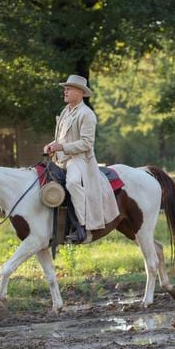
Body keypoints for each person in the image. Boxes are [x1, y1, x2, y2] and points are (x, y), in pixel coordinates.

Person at [43, 74, 119, 243]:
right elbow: (62, 139)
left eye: (68, 89)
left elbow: (86, 143)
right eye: (65, 89)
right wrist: (51, 145)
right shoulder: (65, 112)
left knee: (72, 183)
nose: (65, 91)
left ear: (80, 92)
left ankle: (82, 226)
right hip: (61, 158)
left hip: (80, 160)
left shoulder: (87, 114)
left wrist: (61, 147)